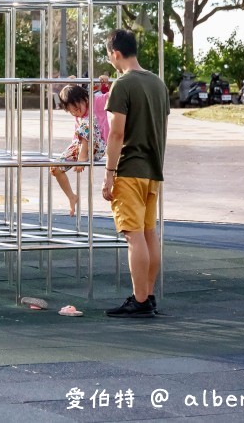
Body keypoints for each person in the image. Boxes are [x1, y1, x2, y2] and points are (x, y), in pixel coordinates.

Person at [101, 29, 169, 318]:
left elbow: (116, 134)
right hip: (153, 170)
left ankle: (140, 300)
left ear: (115, 53)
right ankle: (148, 294)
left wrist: (109, 174)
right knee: (149, 233)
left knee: (133, 236)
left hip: (130, 169)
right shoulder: (158, 84)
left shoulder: (123, 85)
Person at [50, 76, 110, 216]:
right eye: (72, 112)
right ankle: (72, 197)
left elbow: (114, 94)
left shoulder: (96, 102)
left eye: (78, 108)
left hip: (98, 145)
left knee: (87, 121)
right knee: (55, 168)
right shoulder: (79, 114)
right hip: (80, 145)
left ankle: (83, 156)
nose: (77, 113)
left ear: (85, 99)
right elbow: (78, 136)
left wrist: (106, 83)